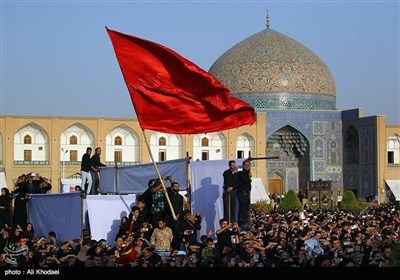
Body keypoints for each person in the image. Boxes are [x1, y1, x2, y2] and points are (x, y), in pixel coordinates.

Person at [236, 159, 252, 230]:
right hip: (243, 192)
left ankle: (245, 224)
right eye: (246, 165)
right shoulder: (241, 173)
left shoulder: (246, 173)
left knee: (246, 208)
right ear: (243, 166)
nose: (247, 166)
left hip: (246, 192)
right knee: (243, 209)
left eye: (248, 165)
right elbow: (246, 181)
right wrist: (249, 178)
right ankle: (243, 224)